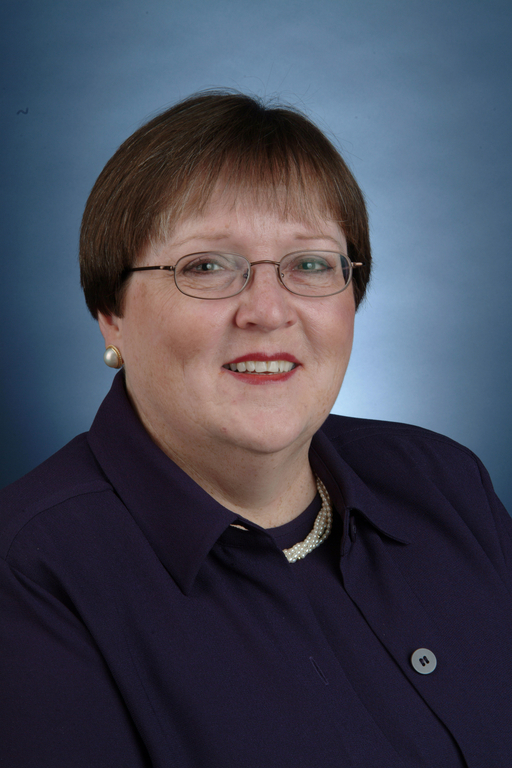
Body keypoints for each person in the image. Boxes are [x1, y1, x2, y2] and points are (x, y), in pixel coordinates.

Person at [1, 91, 511, 768]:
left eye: (309, 264)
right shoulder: (32, 572)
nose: (268, 311)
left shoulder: (443, 480)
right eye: (207, 266)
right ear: (111, 311)